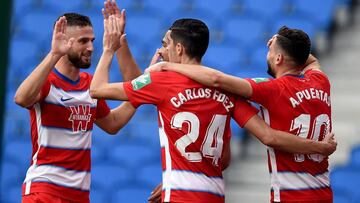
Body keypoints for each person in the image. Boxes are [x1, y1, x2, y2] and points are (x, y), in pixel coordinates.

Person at [90, 9, 336, 202]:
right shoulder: (230, 94)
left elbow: (97, 90)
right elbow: (227, 157)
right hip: (218, 194)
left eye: (165, 44)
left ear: (179, 48)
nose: (161, 50)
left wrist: (111, 48)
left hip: (181, 195)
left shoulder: (162, 78)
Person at [148, 26, 334, 203]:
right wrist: (285, 43)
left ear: (278, 59)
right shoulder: (320, 81)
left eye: (270, 51)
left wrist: (168, 67)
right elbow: (309, 59)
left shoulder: (273, 89)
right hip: (324, 193)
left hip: (291, 197)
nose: (267, 53)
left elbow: (216, 80)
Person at [14, 12, 140, 203]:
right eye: (83, 41)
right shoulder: (48, 81)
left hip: (79, 195)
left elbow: (113, 123)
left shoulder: (91, 85)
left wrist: (139, 94)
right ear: (66, 42)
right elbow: (22, 99)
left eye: (92, 40)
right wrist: (55, 53)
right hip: (44, 190)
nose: (90, 47)